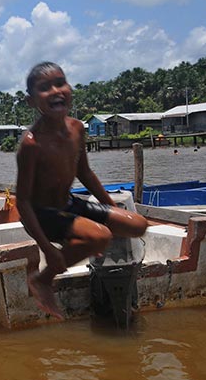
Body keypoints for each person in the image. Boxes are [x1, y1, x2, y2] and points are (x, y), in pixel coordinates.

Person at [15, 61, 148, 320]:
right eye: (45, 88)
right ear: (31, 101)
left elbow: (84, 173)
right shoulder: (31, 144)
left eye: (60, 83)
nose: (55, 91)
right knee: (99, 237)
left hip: (69, 205)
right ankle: (43, 279)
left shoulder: (77, 128)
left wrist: (109, 206)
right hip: (41, 215)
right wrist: (48, 249)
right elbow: (22, 202)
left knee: (138, 225)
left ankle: (86, 242)